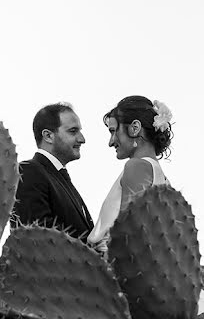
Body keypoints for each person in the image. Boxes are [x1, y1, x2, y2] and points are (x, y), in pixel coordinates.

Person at [87, 96, 172, 256]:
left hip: (110, 266)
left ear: (135, 128)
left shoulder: (137, 166)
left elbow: (129, 232)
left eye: (113, 131)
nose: (111, 142)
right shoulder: (162, 177)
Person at [11, 102, 94, 241]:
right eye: (73, 131)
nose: (82, 139)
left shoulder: (58, 176)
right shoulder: (29, 171)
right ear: (48, 136)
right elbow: (35, 241)